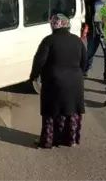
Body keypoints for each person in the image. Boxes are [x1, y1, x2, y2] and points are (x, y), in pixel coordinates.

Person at [30, 14, 87, 148]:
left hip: (53, 81)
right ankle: (70, 140)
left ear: (53, 25)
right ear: (67, 25)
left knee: (51, 110)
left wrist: (34, 75)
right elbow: (84, 62)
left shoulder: (49, 41)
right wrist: (77, 73)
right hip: (75, 81)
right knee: (71, 110)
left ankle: (48, 140)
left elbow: (39, 60)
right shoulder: (77, 41)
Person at [83, 0, 106, 78]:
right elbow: (85, 14)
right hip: (94, 31)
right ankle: (85, 70)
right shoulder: (90, 1)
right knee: (90, 52)